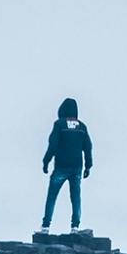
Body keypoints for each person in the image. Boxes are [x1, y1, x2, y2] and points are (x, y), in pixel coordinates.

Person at [41, 97, 93, 232]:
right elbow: (88, 147)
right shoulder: (82, 127)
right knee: (75, 196)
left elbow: (53, 144)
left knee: (52, 195)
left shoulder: (59, 124)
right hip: (77, 167)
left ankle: (46, 226)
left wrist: (46, 161)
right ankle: (75, 226)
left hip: (61, 166)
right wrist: (88, 165)